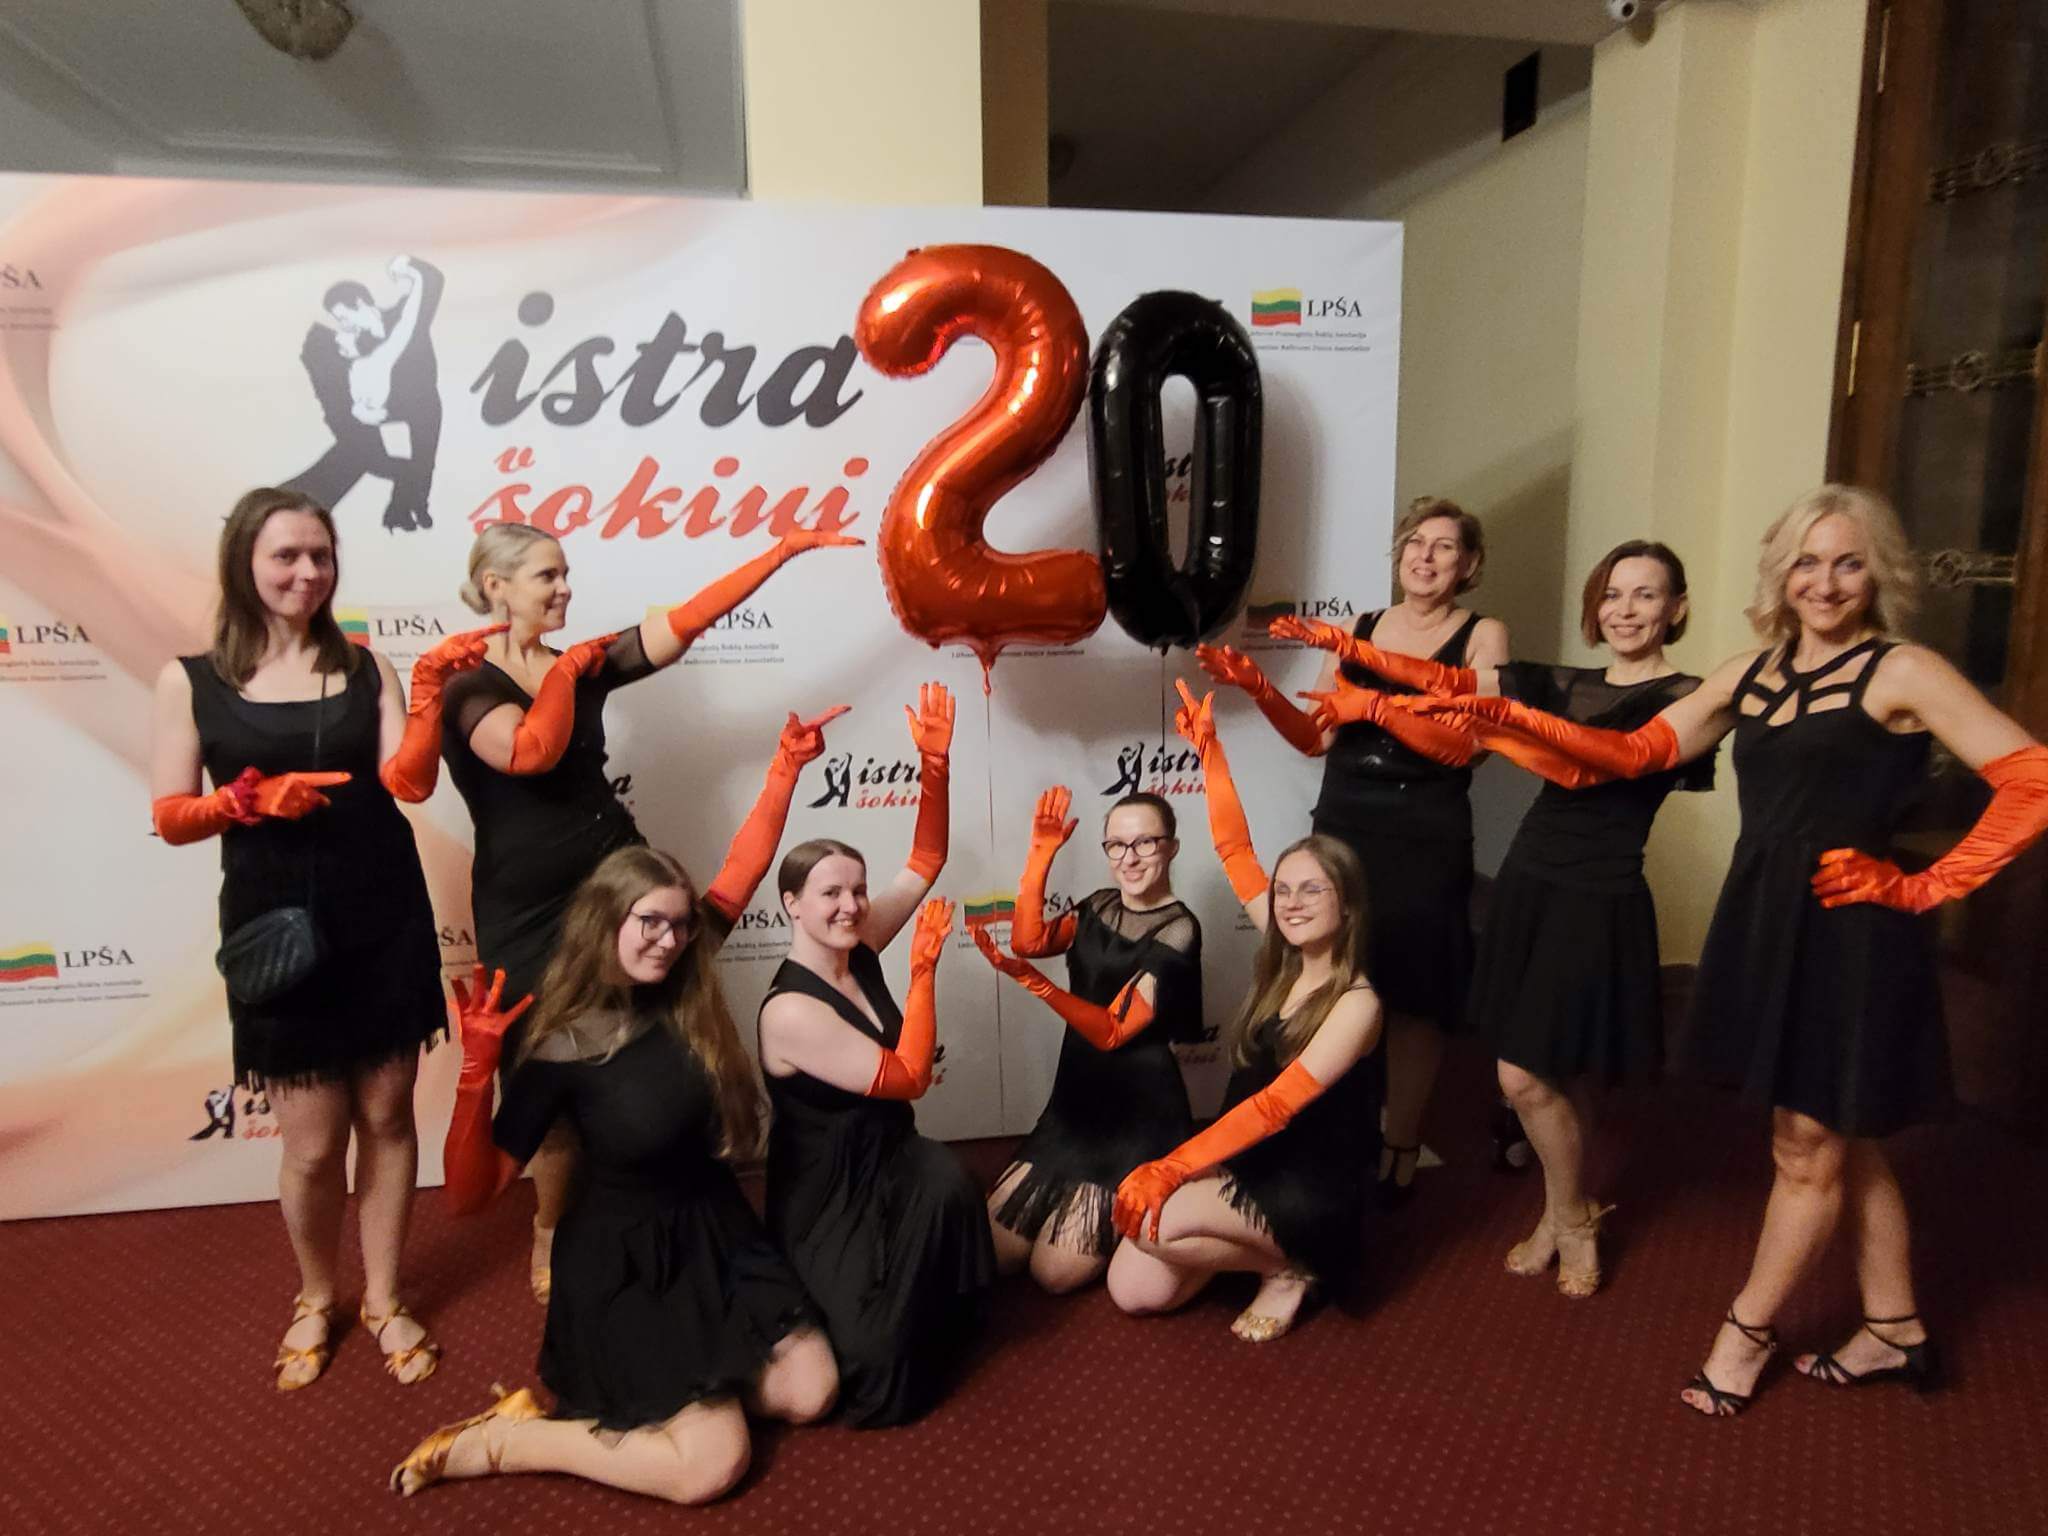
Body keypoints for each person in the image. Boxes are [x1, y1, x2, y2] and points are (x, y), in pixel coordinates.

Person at [1410, 487, 2048, 1413]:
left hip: (1853, 933)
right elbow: (1629, 755)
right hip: (1765, 916)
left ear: (1877, 574)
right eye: (1806, 562)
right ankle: (1895, 1325)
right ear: (1780, 575)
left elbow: (2032, 777)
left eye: (1848, 562)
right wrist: (1485, 710)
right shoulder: (1752, 673)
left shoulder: (1903, 669)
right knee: (1843, 1133)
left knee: (1805, 1145)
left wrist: (1929, 884)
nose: (1825, 582)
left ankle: (1743, 1337)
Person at [391, 734, 844, 1502]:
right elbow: (472, 1194)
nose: (668, 941)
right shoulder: (561, 1044)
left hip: (714, 1234)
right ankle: (511, 1440)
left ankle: (694, 1391)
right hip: (627, 1264)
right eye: (649, 923)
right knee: (709, 1469)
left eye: (679, 924)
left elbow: (743, 869)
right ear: (606, 921)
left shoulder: (685, 986)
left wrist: (784, 771)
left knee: (811, 1392)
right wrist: (475, 1075)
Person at [440, 518, 856, 1302]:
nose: (566, 588)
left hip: (618, 881)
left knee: (651, 1041)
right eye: (548, 575)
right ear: (496, 586)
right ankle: (550, 1224)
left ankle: (659, 1189)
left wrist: (780, 552)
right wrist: (573, 672)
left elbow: (687, 619)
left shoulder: (582, 664)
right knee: (546, 1075)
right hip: (524, 911)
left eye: (567, 573)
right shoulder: (466, 686)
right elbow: (527, 750)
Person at [1291, 540, 1713, 1298]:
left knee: (1525, 1074)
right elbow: (1448, 681)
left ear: (1676, 608)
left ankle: (1573, 1217)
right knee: (1555, 1067)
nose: (1625, 610)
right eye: (1613, 594)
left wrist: (1500, 720)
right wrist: (1354, 655)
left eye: (1645, 595)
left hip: (1601, 892)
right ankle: (1560, 1210)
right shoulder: (1563, 680)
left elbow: (1600, 760)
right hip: (1530, 879)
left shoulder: (1690, 697)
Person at [150, 487, 487, 1390]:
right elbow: (170, 815)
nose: (306, 572)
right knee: (308, 1146)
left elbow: (408, 785)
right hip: (275, 933)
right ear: (245, 563)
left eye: (320, 556)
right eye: (286, 555)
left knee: (387, 1118)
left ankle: (384, 1296)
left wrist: (427, 694)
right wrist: (242, 801)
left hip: (382, 916)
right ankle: (315, 1295)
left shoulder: (366, 668)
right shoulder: (190, 680)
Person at [1198, 496, 1507, 1202]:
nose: (1425, 556)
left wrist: (1375, 706)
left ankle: (1402, 1141)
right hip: (1346, 823)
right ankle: (1328, 1126)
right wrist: (1260, 688)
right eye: (1415, 542)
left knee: (1414, 996)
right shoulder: (1362, 627)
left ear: (1469, 564)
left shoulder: (1483, 633)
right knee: (1332, 976)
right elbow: (1316, 737)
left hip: (1426, 830)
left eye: (1444, 546)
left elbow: (1471, 747)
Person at [1106, 682, 1384, 1343]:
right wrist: (1209, 752)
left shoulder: (1358, 1002)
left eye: (1312, 890)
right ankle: (1251, 1244)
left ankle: (1294, 1265)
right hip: (1251, 1160)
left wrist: (1175, 1166)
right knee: (1133, 1288)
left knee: (1158, 1219)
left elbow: (1277, 1105)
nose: (1290, 903)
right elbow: (1235, 850)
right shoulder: (1282, 950)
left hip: (1311, 1181)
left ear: (1346, 905)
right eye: (1283, 890)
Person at [756, 682, 996, 1426]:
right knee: (875, 1362)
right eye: (830, 894)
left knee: (951, 1186)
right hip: (828, 1187)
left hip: (894, 1153)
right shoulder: (790, 1010)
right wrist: (922, 972)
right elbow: (909, 1076)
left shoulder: (858, 944)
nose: (851, 906)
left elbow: (925, 859)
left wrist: (935, 766)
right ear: (792, 904)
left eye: (857, 891)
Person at [973, 787, 1202, 1293]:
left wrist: (1039, 986)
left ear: (1171, 848)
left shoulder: (1179, 929)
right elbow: (1028, 941)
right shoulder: (1097, 905)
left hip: (1138, 1114)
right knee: (997, 1253)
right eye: (1117, 845)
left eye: (1145, 842)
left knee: (1052, 1275)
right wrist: (1041, 854)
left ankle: (1145, 1204)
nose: (1129, 858)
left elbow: (1113, 1031)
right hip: (1074, 1105)